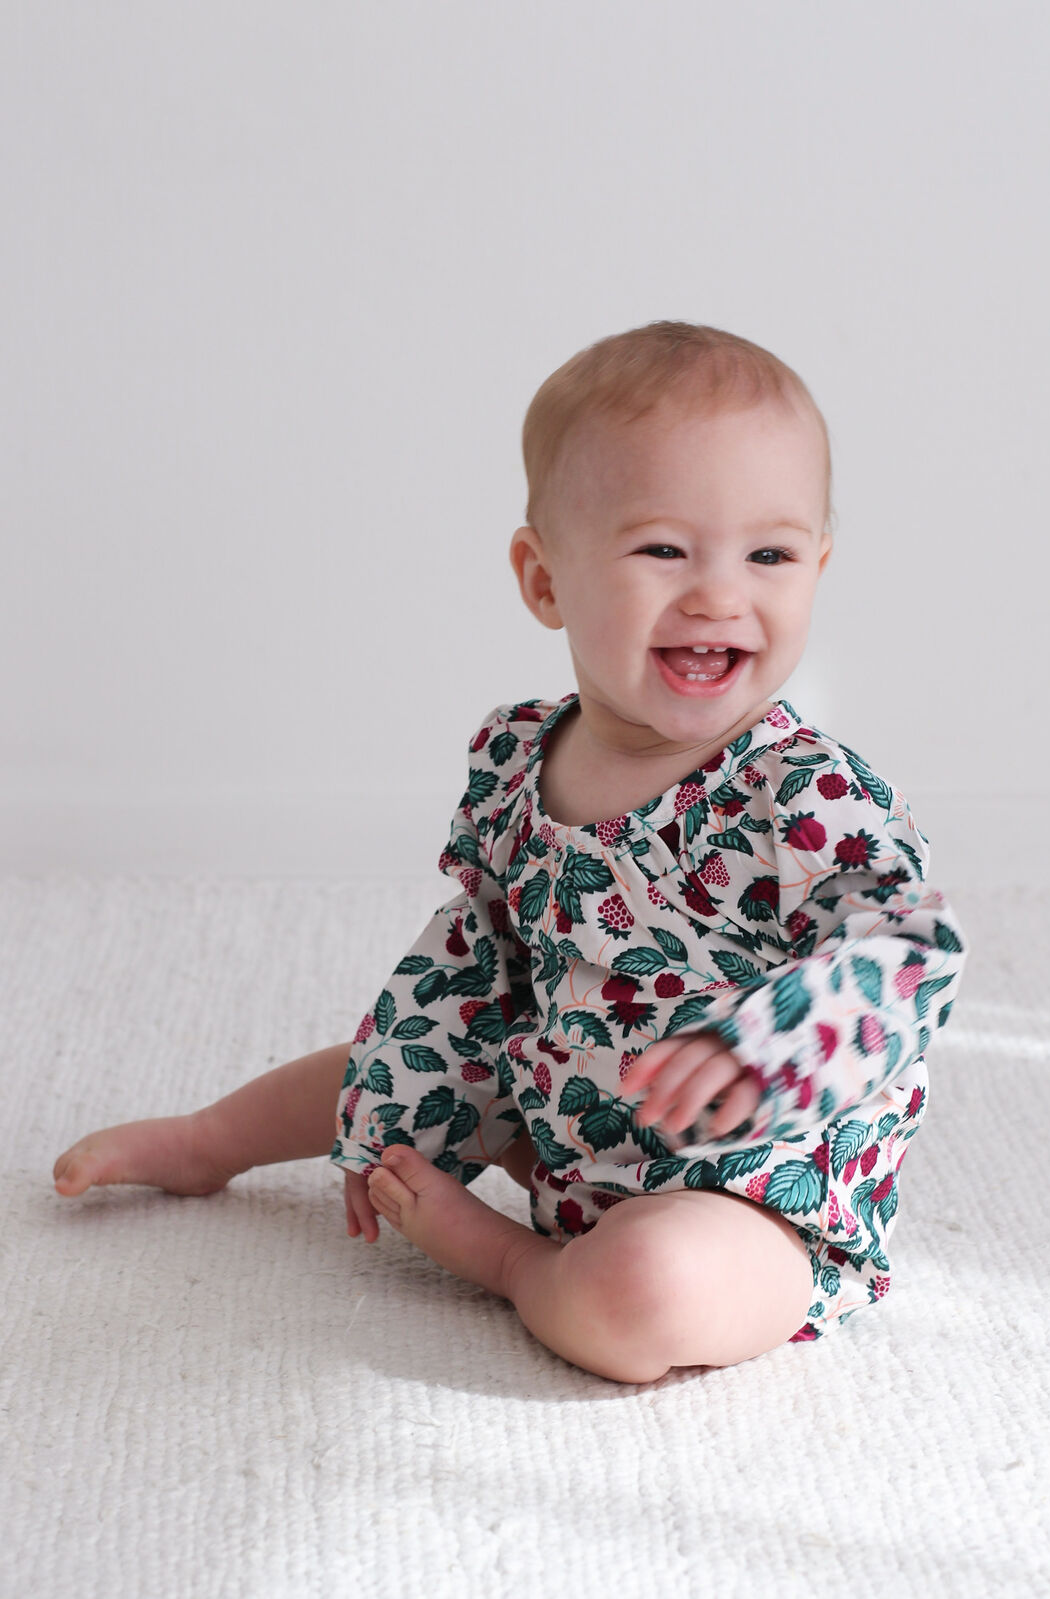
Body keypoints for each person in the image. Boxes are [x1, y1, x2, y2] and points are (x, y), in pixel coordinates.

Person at [53, 320, 969, 1385]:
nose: (722, 595)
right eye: (663, 549)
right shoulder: (518, 754)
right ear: (544, 580)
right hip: (561, 1108)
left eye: (768, 554)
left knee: (643, 1297)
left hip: (749, 1188)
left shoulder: (803, 793)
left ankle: (516, 1267)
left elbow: (908, 947)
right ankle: (208, 1142)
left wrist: (760, 1048)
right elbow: (473, 953)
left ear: (816, 566)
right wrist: (394, 1104)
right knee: (374, 1062)